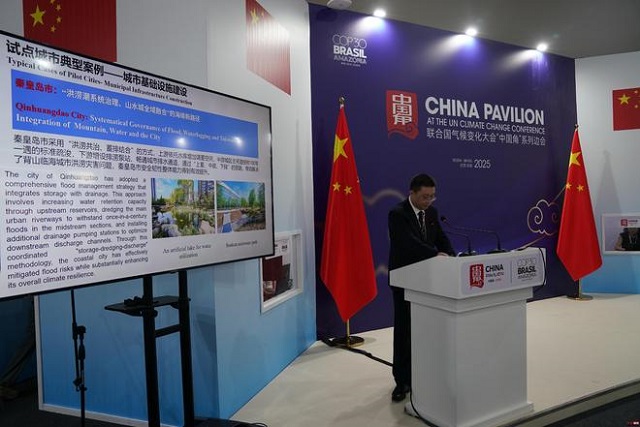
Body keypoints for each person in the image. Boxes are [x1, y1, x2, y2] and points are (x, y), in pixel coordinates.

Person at [387, 173, 455, 402]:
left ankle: (423, 375)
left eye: (432, 196)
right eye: (425, 196)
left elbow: (441, 238)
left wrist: (451, 255)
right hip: (405, 281)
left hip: (429, 281)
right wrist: (436, 255)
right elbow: (408, 244)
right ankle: (401, 380)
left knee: (426, 331)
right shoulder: (398, 214)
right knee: (404, 331)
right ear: (412, 193)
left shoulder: (432, 213)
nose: (429, 201)